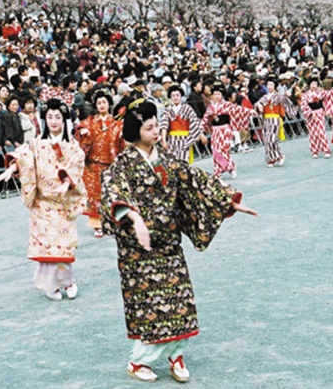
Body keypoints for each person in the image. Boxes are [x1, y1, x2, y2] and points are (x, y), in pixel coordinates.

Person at [99, 99, 258, 384]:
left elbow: (193, 179)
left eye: (156, 125)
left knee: (179, 300)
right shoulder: (122, 165)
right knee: (149, 306)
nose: (156, 131)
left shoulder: (166, 158)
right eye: (149, 128)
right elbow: (113, 192)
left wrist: (228, 202)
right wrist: (134, 220)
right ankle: (139, 361)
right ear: (135, 132)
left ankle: (176, 354)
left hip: (169, 244)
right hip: (139, 250)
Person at [0, 99, 86, 300]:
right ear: (44, 119)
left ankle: (68, 280)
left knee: (62, 246)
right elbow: (23, 157)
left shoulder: (72, 145)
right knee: (47, 248)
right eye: (49, 117)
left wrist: (66, 181)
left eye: (58, 117)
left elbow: (77, 164)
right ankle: (50, 286)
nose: (53, 121)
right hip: (43, 203)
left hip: (63, 202)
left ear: (65, 120)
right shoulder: (36, 143)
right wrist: (12, 167)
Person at [75, 90, 124, 238]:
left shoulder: (116, 123)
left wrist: (121, 136)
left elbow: (120, 137)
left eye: (104, 102)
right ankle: (98, 225)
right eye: (99, 103)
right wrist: (83, 132)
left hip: (110, 163)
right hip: (93, 163)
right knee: (94, 196)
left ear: (108, 104)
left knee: (112, 194)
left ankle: (113, 223)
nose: (101, 105)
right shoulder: (90, 122)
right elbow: (82, 127)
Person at [201, 81, 250, 177]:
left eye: (218, 94)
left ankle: (230, 167)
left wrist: (249, 111)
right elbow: (205, 118)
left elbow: (238, 109)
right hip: (215, 130)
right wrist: (200, 129)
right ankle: (219, 170)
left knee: (223, 149)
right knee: (215, 150)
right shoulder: (210, 107)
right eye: (215, 94)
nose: (217, 96)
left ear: (222, 95)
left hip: (225, 129)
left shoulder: (227, 104)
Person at [252, 76, 295, 167]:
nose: (269, 86)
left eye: (271, 84)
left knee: (272, 138)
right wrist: (259, 105)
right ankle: (271, 158)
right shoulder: (264, 97)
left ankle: (279, 156)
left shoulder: (278, 96)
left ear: (275, 86)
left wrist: (292, 113)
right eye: (268, 84)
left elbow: (287, 103)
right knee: (267, 139)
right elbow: (256, 103)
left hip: (275, 118)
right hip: (266, 119)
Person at [159, 84, 204, 163]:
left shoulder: (187, 108)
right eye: (173, 95)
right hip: (172, 139)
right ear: (170, 97)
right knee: (174, 161)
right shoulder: (167, 110)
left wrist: (201, 135)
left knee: (184, 160)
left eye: (177, 95)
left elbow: (195, 122)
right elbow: (164, 125)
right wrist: (164, 140)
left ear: (181, 96)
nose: (175, 97)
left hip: (185, 138)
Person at [300, 77, 331, 158]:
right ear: (309, 84)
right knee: (312, 133)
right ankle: (314, 151)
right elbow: (303, 105)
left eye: (316, 84)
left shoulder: (320, 93)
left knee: (321, 131)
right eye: (312, 84)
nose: (314, 86)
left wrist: (326, 109)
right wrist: (310, 112)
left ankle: (326, 149)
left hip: (319, 113)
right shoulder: (305, 95)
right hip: (310, 115)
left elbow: (328, 95)